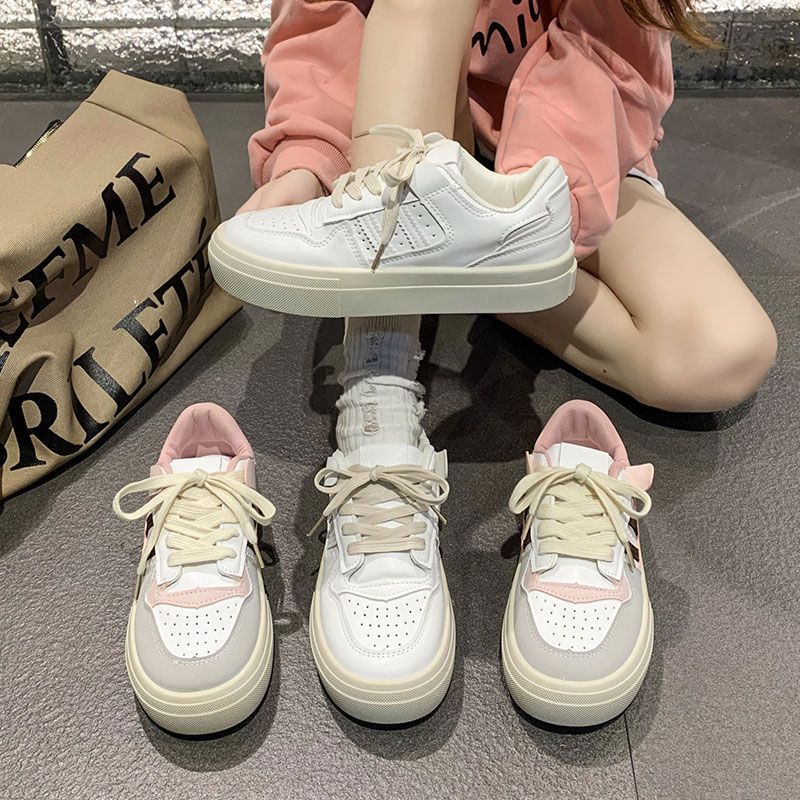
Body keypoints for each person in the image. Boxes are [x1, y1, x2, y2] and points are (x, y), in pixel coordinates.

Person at [227, 0, 778, 723]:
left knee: (722, 352)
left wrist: (523, 210)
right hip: (397, 141)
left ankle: (458, 265)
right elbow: (321, 22)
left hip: (562, 153)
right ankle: (377, 404)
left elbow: (611, 56)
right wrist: (307, 163)